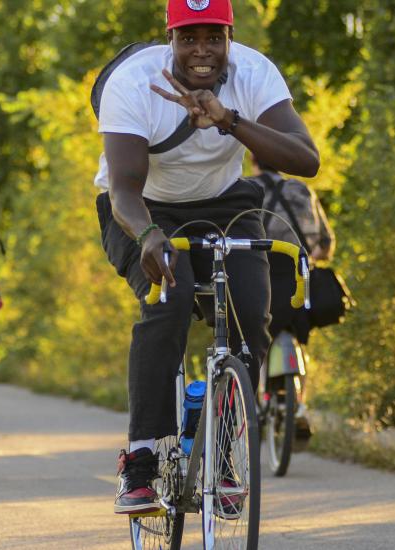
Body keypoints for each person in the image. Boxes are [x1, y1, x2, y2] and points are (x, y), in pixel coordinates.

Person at [95, 0, 319, 514]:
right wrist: (148, 234)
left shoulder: (254, 73)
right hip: (142, 208)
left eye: (213, 38)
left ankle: (222, 449)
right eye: (188, 37)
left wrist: (230, 120)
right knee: (169, 301)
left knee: (250, 312)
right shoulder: (132, 84)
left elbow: (305, 158)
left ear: (229, 37)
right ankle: (143, 460)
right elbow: (125, 188)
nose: (202, 51)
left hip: (225, 202)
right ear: (168, 38)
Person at [253, 157, 334, 344]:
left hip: (261, 279)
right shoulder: (302, 190)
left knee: (254, 341)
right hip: (298, 277)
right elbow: (327, 243)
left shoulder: (246, 189)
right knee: (300, 333)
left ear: (253, 160)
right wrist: (310, 258)